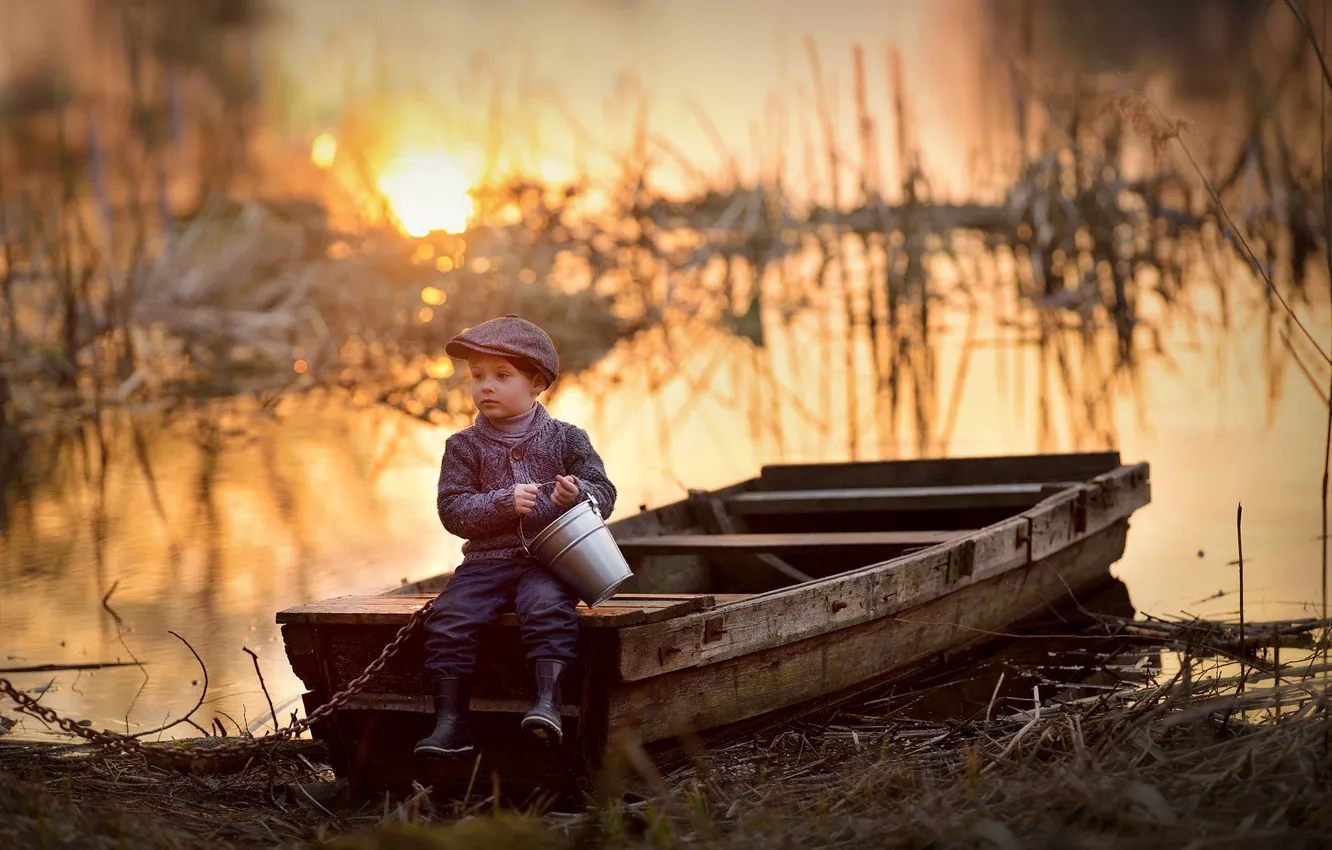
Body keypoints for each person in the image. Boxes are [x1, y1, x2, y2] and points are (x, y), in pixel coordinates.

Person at [414, 314, 617, 758]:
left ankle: (546, 703)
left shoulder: (567, 439)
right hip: (486, 563)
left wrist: (578, 493)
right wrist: (503, 503)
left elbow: (605, 492)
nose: (485, 387)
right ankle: (452, 724)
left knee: (546, 606)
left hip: (551, 560)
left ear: (537, 383)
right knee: (449, 619)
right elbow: (452, 512)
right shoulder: (463, 446)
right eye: (478, 377)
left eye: (502, 376)